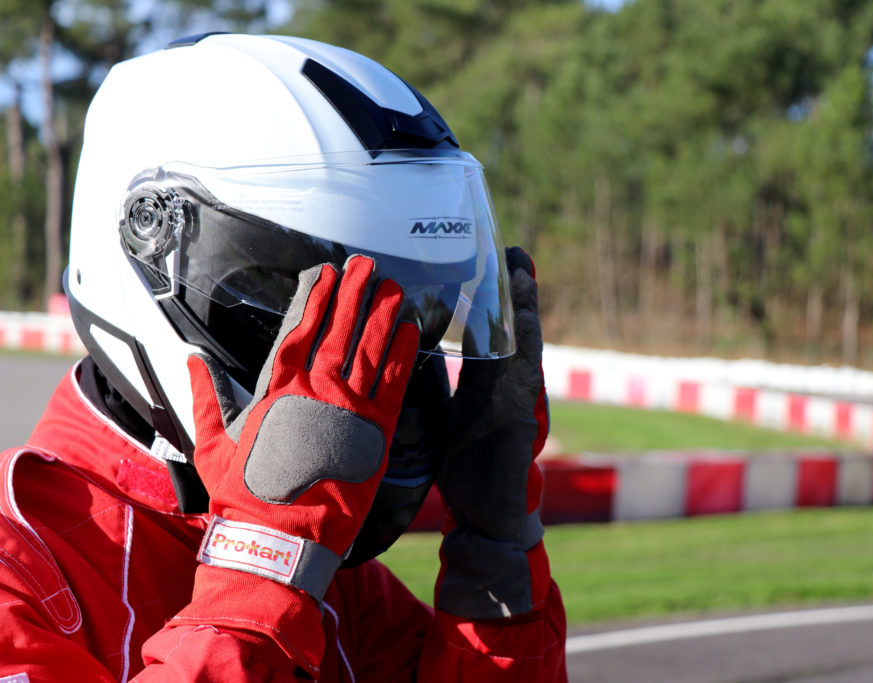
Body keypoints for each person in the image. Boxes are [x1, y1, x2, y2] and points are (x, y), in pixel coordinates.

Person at [0, 33, 566, 681]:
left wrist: (494, 572)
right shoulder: (20, 567)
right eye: (321, 318)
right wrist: (260, 572)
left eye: (415, 319)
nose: (379, 378)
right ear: (149, 242)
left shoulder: (340, 584)